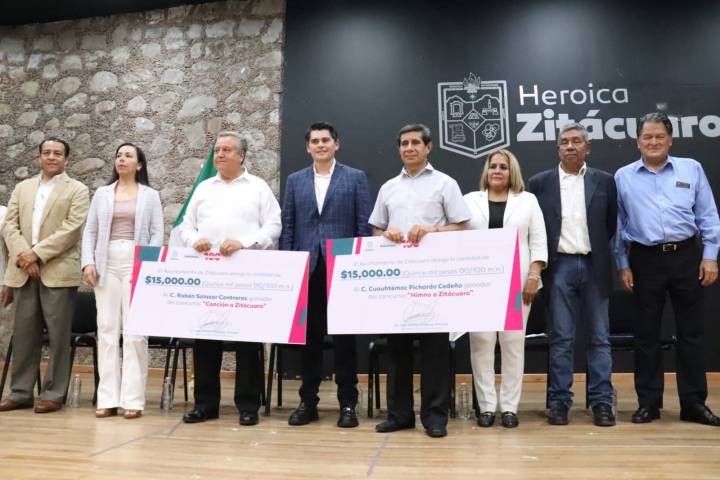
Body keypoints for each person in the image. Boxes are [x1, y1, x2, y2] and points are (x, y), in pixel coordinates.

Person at [615, 112, 720, 426]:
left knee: (692, 333)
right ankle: (649, 403)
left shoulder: (691, 168)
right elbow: (618, 225)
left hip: (687, 256)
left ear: (670, 139)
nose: (653, 142)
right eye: (647, 137)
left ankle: (694, 403)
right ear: (638, 141)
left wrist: (710, 256)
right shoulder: (623, 176)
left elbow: (708, 215)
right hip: (644, 260)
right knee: (646, 335)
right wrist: (623, 263)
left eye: (659, 136)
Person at [369, 124, 470, 438]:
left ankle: (435, 417)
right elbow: (376, 230)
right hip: (398, 281)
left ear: (428, 147)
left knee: (435, 351)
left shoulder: (445, 184)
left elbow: (462, 227)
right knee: (396, 350)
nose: (409, 148)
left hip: (433, 279)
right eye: (404, 143)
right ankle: (399, 415)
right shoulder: (388, 187)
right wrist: (386, 233)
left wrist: (432, 230)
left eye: (415, 142)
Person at [179, 131, 281, 426]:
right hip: (209, 273)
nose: (220, 155)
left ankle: (248, 406)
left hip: (245, 274)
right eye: (217, 150)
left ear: (242, 155)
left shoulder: (258, 187)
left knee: (247, 342)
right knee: (205, 339)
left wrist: (244, 243)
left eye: (226, 150)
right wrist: (195, 240)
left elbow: (274, 226)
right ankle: (205, 404)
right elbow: (186, 226)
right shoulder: (204, 188)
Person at [280, 122, 371, 428]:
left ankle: (348, 404)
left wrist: (358, 266)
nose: (320, 145)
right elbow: (289, 225)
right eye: (315, 141)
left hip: (342, 268)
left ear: (336, 144)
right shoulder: (295, 181)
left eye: (325, 140)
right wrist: (290, 266)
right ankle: (308, 402)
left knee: (345, 340)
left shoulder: (355, 178)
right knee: (310, 340)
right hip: (308, 268)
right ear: (308, 148)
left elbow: (362, 225)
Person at [527, 123, 617, 427]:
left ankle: (602, 402)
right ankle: (559, 402)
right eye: (564, 142)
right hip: (558, 266)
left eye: (577, 141)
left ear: (587, 148)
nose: (570, 146)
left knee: (599, 338)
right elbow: (534, 227)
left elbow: (611, 224)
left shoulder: (604, 181)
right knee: (561, 338)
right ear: (557, 149)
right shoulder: (540, 183)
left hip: (594, 265)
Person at [0, 137, 89, 414]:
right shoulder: (23, 188)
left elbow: (72, 229)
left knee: (59, 336)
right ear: (39, 157)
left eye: (57, 153)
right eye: (47, 152)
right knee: (24, 334)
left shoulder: (77, 189)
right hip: (23, 270)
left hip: (58, 270)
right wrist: (24, 255)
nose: (51, 157)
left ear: (66, 159)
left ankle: (53, 393)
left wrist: (36, 254)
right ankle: (20, 392)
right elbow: (9, 225)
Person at [464, 149, 547, 428]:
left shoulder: (528, 201)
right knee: (482, 344)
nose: (497, 171)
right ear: (486, 171)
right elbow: (456, 239)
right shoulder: (469, 200)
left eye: (503, 166)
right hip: (480, 286)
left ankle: (510, 408)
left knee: (512, 345)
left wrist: (533, 276)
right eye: (493, 166)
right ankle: (487, 407)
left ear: (512, 172)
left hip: (517, 284)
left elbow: (538, 241)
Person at [81, 143, 164, 419]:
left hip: (136, 260)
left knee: (135, 332)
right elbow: (90, 230)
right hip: (106, 262)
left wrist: (147, 265)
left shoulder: (150, 195)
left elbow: (157, 232)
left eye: (128, 156)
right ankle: (107, 398)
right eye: (119, 155)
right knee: (106, 329)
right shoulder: (102, 193)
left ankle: (133, 399)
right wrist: (88, 262)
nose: (122, 159)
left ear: (139, 164)